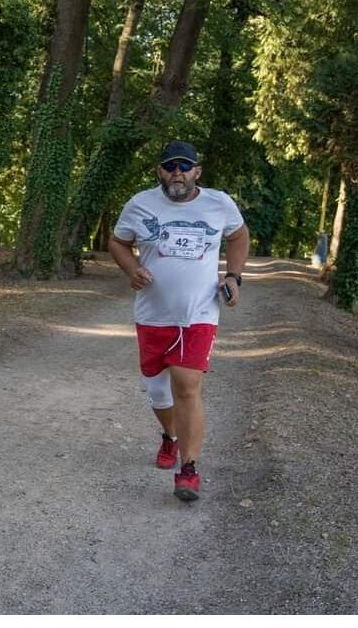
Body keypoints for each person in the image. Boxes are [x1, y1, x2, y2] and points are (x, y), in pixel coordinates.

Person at [109, 140, 249, 502]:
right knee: (158, 391)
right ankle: (169, 436)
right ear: (159, 170)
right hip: (152, 314)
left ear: (196, 172)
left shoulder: (219, 203)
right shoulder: (140, 204)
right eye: (169, 166)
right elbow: (118, 242)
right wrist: (131, 268)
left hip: (198, 313)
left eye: (184, 166)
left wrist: (233, 277)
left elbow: (238, 235)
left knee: (187, 386)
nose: (177, 172)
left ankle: (189, 470)